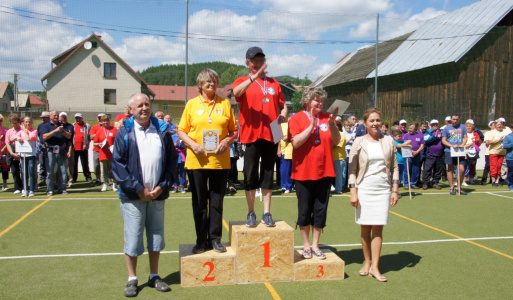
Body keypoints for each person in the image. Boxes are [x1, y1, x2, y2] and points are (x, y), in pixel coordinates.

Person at [112, 93, 176, 297]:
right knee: (133, 238)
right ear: (130, 109)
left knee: (156, 237)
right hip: (133, 196)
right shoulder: (124, 132)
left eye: (147, 104)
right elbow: (118, 166)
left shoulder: (163, 130)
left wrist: (162, 187)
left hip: (157, 194)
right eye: (139, 105)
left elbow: (172, 162)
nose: (144, 108)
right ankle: (132, 279)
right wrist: (138, 188)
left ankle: (154, 275)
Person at [178, 69, 238, 254]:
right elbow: (181, 131)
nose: (212, 84)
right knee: (199, 203)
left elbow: (233, 131)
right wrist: (192, 145)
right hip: (197, 160)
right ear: (200, 84)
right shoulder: (191, 104)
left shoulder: (225, 103)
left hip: (220, 162)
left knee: (216, 202)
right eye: (208, 81)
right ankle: (200, 240)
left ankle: (215, 239)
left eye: (214, 81)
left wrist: (226, 141)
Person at [232, 46, 288, 227]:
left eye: (260, 60)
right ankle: (251, 212)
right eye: (254, 61)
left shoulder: (274, 83)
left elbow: (282, 105)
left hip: (272, 133)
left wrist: (284, 113)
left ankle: (266, 212)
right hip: (250, 135)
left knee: (267, 174)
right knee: (250, 175)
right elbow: (236, 93)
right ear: (247, 63)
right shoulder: (242, 80)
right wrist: (254, 77)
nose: (258, 63)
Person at [288, 86, 340, 259]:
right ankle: (306, 245)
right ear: (307, 101)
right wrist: (310, 126)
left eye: (322, 100)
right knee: (304, 211)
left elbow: (337, 140)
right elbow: (295, 143)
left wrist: (332, 123)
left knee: (320, 210)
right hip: (303, 172)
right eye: (316, 99)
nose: (320, 103)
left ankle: (316, 245)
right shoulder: (296, 119)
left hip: (325, 172)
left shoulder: (326, 118)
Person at [348, 108, 399, 282]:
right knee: (365, 228)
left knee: (378, 229)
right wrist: (353, 192)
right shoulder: (359, 142)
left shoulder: (389, 141)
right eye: (372, 121)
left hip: (383, 190)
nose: (376, 123)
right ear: (365, 123)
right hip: (364, 189)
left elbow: (394, 167)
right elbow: (352, 170)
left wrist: (395, 190)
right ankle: (367, 262)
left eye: (378, 120)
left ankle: (375, 267)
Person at [40, 110, 72, 195]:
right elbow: (44, 137)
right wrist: (55, 131)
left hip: (61, 150)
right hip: (50, 150)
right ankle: (50, 189)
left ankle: (62, 188)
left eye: (57, 115)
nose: (56, 117)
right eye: (54, 115)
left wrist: (62, 131)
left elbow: (69, 136)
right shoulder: (46, 126)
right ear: (50, 116)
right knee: (50, 171)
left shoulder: (63, 125)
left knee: (63, 170)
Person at [442, 113, 468, 195]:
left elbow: (465, 137)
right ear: (451, 119)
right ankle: (451, 187)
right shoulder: (447, 128)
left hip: (460, 151)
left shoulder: (462, 127)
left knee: (462, 169)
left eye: (457, 119)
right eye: (454, 119)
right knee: (450, 169)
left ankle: (459, 187)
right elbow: (443, 140)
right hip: (449, 151)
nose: (455, 121)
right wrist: (452, 146)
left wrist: (462, 144)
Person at [93, 115, 118, 192]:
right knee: (104, 170)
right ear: (101, 122)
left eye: (107, 121)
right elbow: (95, 143)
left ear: (109, 121)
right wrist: (99, 144)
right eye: (104, 121)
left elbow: (118, 141)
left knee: (114, 170)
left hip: (113, 154)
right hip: (103, 154)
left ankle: (114, 184)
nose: (105, 122)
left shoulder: (114, 130)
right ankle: (105, 184)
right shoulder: (99, 131)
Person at [15, 116, 38, 197]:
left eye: (29, 122)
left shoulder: (34, 131)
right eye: (26, 122)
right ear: (23, 123)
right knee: (24, 173)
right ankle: (25, 189)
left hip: (31, 154)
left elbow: (29, 139)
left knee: (31, 172)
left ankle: (31, 190)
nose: (28, 123)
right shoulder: (20, 132)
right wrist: (17, 137)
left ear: (32, 123)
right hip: (23, 155)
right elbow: (12, 138)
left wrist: (24, 130)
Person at [485, 118, 508, 187]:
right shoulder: (491, 132)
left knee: (499, 166)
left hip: (502, 152)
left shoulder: (505, 132)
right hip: (493, 151)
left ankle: (498, 181)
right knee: (494, 166)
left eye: (501, 124)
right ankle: (493, 181)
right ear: (495, 125)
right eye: (498, 124)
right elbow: (488, 142)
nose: (499, 126)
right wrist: (498, 140)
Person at [422, 120, 444, 190]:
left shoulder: (441, 132)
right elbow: (426, 140)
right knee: (427, 169)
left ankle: (435, 182)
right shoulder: (428, 132)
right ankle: (426, 183)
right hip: (430, 154)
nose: (435, 125)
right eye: (433, 124)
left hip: (440, 154)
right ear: (430, 125)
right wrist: (434, 137)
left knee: (438, 170)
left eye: (436, 124)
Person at [402, 122, 425, 189]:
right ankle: (406, 183)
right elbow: (404, 145)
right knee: (407, 169)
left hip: (417, 155)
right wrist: (411, 152)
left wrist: (416, 152)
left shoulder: (420, 135)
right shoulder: (406, 135)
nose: (409, 129)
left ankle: (413, 183)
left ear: (415, 129)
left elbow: (422, 145)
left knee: (416, 169)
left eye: (411, 128)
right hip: (408, 155)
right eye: (409, 128)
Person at [5, 114, 23, 194]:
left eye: (15, 123)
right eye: (12, 123)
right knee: (15, 171)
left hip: (22, 153)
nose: (14, 125)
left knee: (23, 171)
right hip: (12, 153)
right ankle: (17, 187)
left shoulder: (22, 130)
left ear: (19, 122)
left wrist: (19, 154)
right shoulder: (9, 132)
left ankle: (24, 187)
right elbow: (7, 143)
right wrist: (12, 153)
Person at [72, 113, 92, 183]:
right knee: (74, 164)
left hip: (83, 148)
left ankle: (88, 177)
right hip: (74, 148)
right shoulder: (73, 126)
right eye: (76, 118)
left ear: (82, 118)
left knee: (85, 164)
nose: (78, 119)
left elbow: (90, 136)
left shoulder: (87, 126)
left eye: (79, 118)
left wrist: (87, 144)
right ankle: (74, 178)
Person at [462, 119, 481, 186]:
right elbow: (462, 144)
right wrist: (469, 144)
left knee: (469, 167)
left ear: (472, 127)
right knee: (461, 167)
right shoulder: (463, 134)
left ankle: (465, 180)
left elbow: (478, 146)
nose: (469, 127)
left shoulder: (475, 134)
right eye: (467, 126)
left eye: (470, 126)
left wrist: (477, 141)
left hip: (472, 153)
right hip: (463, 152)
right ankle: (459, 180)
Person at [59, 112, 75, 188]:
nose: (63, 119)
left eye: (65, 117)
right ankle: (62, 181)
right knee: (60, 166)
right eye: (62, 117)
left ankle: (70, 180)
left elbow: (69, 137)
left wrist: (69, 150)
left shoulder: (70, 126)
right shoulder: (57, 125)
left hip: (69, 147)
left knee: (70, 165)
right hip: (59, 148)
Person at [332, 118, 347, 194]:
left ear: (338, 127)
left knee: (339, 174)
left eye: (335, 126)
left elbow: (336, 146)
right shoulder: (332, 134)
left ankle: (338, 188)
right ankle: (330, 188)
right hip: (331, 158)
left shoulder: (341, 135)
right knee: (330, 174)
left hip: (339, 158)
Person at [279, 116, 294, 193]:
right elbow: (278, 139)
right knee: (283, 170)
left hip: (292, 151)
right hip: (284, 151)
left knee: (289, 170)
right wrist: (278, 150)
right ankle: (283, 186)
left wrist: (288, 137)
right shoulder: (281, 125)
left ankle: (289, 186)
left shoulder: (295, 126)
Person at [89, 114, 105, 185]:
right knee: (96, 165)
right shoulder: (94, 127)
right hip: (96, 149)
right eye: (99, 119)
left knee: (107, 165)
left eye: (102, 119)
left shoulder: (108, 127)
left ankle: (106, 179)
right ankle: (98, 178)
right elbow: (91, 137)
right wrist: (99, 133)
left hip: (105, 149)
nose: (101, 120)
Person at [37, 111, 50, 186]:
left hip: (49, 147)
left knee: (50, 164)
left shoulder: (51, 125)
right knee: (42, 164)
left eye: (44, 117)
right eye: (42, 118)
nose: (43, 119)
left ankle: (50, 179)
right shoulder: (40, 126)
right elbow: (39, 135)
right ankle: (42, 179)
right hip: (42, 146)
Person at [481, 121, 495, 185]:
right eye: (493, 125)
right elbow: (487, 142)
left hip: (496, 152)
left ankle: (492, 179)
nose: (494, 126)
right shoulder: (488, 133)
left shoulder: (498, 133)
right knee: (487, 166)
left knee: (494, 166)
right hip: (488, 152)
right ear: (490, 126)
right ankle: (484, 179)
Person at [0, 114, 10, 191]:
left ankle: (5, 184)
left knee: (5, 168)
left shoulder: (6, 130)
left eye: (0, 120)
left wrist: (4, 147)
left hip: (4, 152)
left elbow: (8, 142)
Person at [502, 126, 513, 190]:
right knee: (511, 172)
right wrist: (512, 144)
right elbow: (504, 146)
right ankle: (510, 184)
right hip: (510, 158)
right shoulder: (508, 137)